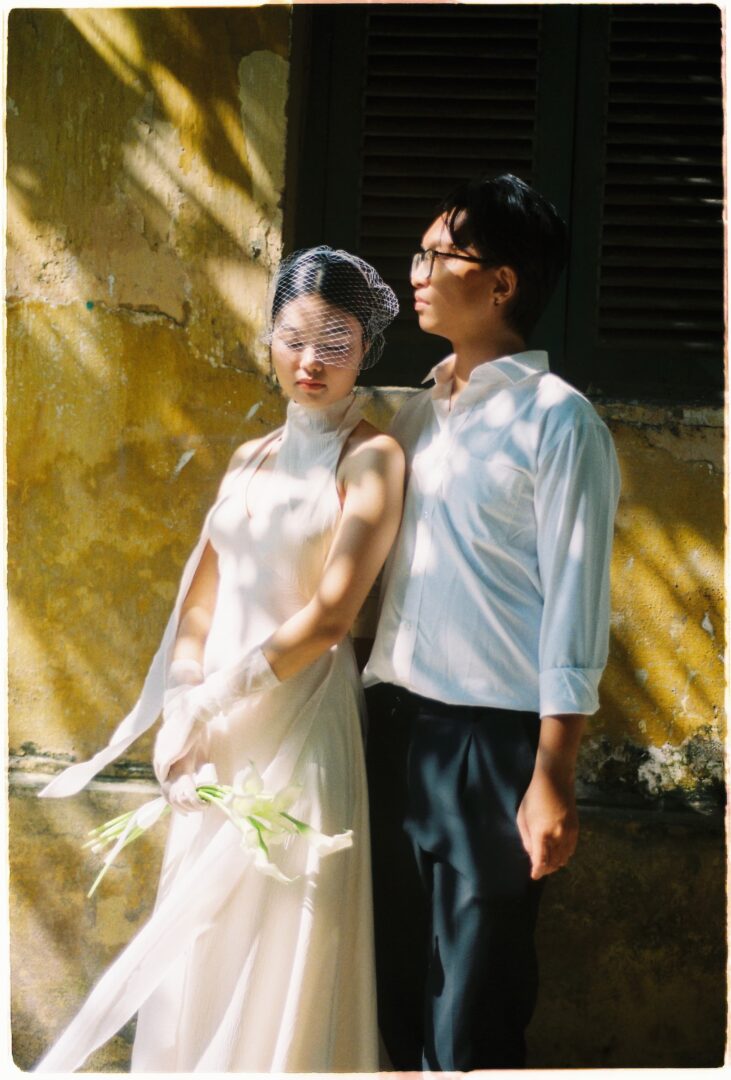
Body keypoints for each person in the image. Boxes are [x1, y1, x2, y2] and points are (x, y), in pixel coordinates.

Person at [34, 246, 404, 1073]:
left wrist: (220, 698)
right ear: (268, 339)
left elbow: (333, 613)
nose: (310, 361)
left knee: (286, 917)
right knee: (201, 936)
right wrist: (182, 701)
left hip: (300, 716)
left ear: (367, 351)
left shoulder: (374, 457)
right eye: (294, 337)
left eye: (335, 343)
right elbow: (200, 598)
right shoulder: (251, 458)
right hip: (216, 735)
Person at [363, 174, 620, 1071]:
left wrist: (553, 770)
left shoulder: (560, 423)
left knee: (471, 1008)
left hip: (491, 744)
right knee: (391, 996)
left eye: (441, 254)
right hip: (390, 731)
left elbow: (578, 603)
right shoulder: (410, 413)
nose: (418, 272)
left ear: (501, 282)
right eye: (420, 253)